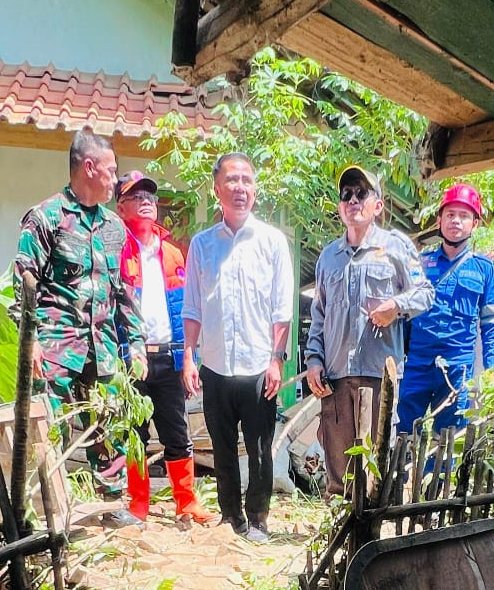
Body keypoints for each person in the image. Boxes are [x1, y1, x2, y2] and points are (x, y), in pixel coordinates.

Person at [15, 128, 143, 492]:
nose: (115, 180)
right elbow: (23, 283)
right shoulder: (46, 218)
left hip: (101, 350)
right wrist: (31, 343)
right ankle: (46, 504)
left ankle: (110, 503)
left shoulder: (114, 227)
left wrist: (134, 342)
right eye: (111, 170)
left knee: (109, 427)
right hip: (56, 348)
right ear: (89, 167)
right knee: (47, 428)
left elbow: (124, 293)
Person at [181, 152, 294, 544]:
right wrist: (188, 357)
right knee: (223, 447)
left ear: (255, 188)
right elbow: (192, 306)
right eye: (232, 180)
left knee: (261, 450)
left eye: (246, 180)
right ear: (217, 189)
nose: (240, 187)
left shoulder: (273, 242)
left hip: (259, 365)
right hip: (214, 364)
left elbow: (282, 308)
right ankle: (230, 518)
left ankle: (258, 519)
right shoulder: (202, 245)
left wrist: (276, 359)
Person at [306, 165, 434, 495]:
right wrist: (313, 361)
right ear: (339, 207)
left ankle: (375, 534)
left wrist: (396, 306)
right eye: (346, 194)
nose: (353, 200)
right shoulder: (328, 258)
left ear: (377, 205)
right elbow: (318, 316)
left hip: (379, 375)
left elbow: (425, 293)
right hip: (335, 377)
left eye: (362, 193)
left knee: (377, 465)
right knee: (338, 466)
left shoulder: (396, 247)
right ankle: (338, 531)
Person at [115, 170, 212, 525]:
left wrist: (189, 358)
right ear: (121, 207)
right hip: (132, 359)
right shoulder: (115, 252)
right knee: (135, 435)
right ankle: (138, 505)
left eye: (150, 198)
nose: (145, 203)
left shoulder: (172, 253)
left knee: (177, 432)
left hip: (169, 356)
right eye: (136, 197)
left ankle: (186, 502)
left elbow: (187, 310)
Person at [398, 183, 494, 435]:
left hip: (458, 367)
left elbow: (491, 323)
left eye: (464, 215)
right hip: (417, 364)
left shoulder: (484, 269)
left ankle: (440, 476)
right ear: (439, 220)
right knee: (401, 433)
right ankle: (399, 476)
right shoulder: (420, 264)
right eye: (450, 214)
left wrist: (492, 368)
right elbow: (402, 315)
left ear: (474, 224)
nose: (456, 221)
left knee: (448, 438)